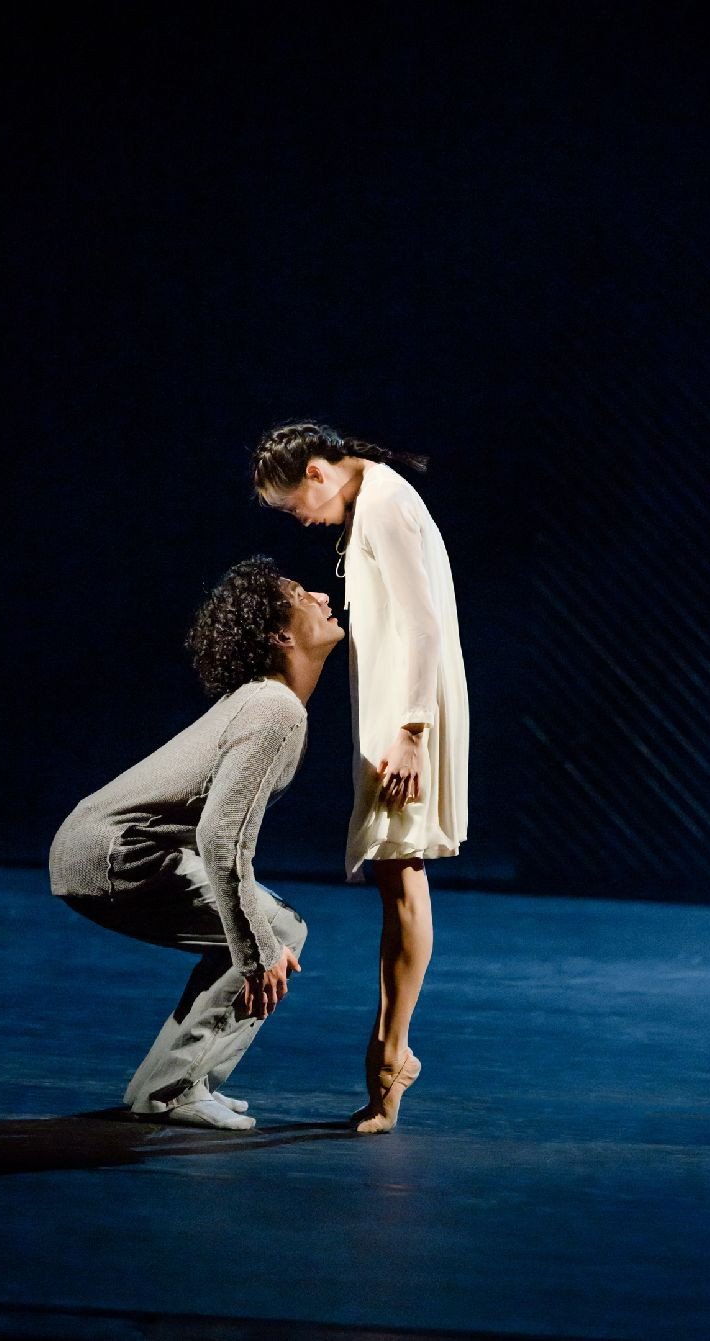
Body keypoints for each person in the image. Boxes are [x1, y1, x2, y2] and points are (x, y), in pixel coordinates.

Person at [49, 557, 344, 1129]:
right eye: (301, 595)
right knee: (271, 935)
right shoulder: (275, 709)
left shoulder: (264, 700)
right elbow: (221, 837)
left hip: (105, 849)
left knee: (274, 931)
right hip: (117, 855)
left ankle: (169, 1084)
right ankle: (175, 1089)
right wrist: (255, 952)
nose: (322, 596)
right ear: (280, 635)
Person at [252, 423, 469, 1134]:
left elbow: (425, 625)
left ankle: (391, 1053)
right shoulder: (374, 499)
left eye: (294, 506)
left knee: (401, 871)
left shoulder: (382, 503)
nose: (301, 520)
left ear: (317, 472)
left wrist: (413, 731)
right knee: (393, 873)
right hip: (394, 711)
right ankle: (389, 1051)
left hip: (408, 717)